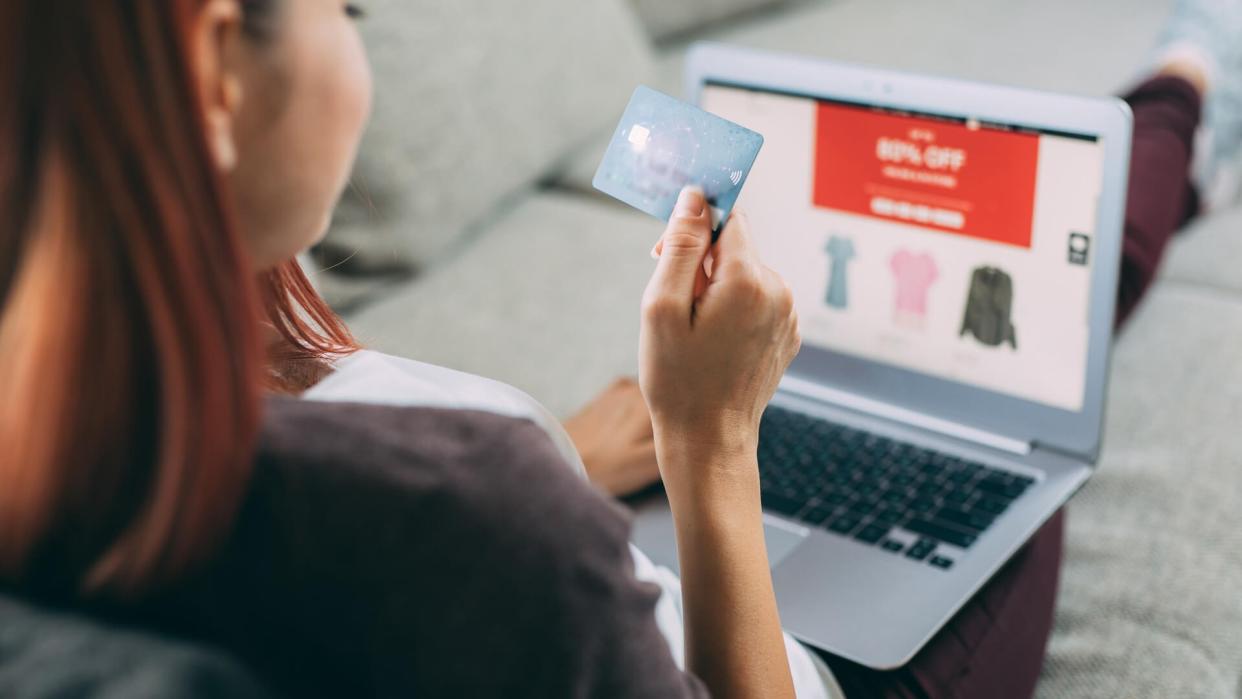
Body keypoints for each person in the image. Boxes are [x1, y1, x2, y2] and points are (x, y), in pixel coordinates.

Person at [0, 1, 1231, 699]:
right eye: (345, 6)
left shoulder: (91, 418)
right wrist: (714, 441)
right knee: (1039, 367)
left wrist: (569, 454)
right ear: (219, 71)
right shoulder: (478, 518)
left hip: (609, 523)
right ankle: (1185, 87)